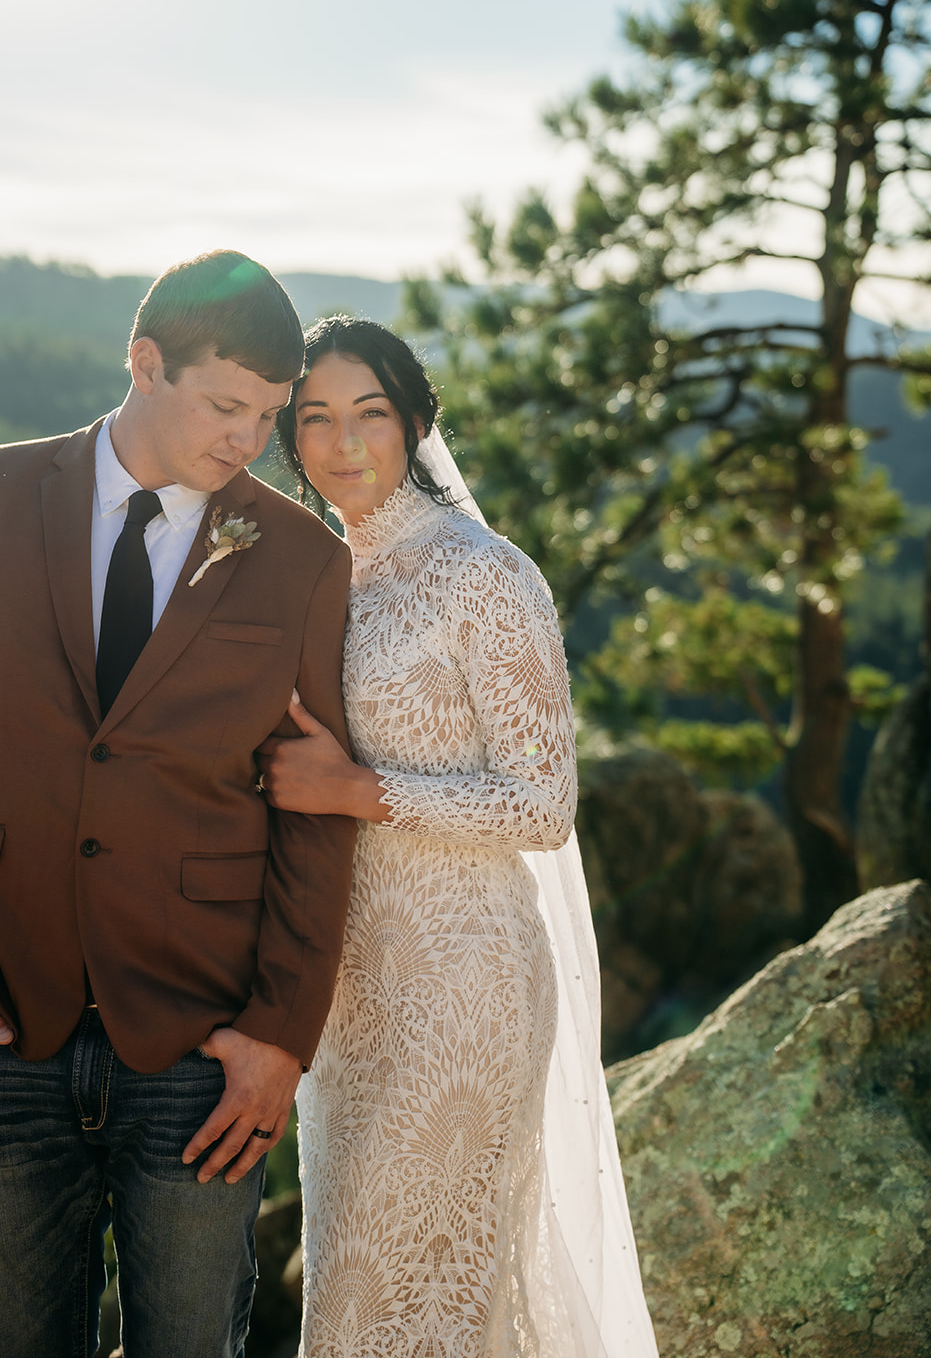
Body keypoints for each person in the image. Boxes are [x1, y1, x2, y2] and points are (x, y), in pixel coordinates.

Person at [0, 250, 358, 1358]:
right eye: (225, 404)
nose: (248, 442)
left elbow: (313, 811)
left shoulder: (296, 554)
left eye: (266, 416)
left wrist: (280, 1035)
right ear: (144, 363)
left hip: (202, 1046)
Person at [260, 316, 659, 1358]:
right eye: (315, 418)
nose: (343, 442)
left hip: (466, 988)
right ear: (288, 437)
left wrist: (358, 788)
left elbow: (541, 805)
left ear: (417, 422)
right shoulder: (310, 577)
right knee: (349, 1293)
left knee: (414, 1297)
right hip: (348, 1002)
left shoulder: (485, 574)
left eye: (369, 414)